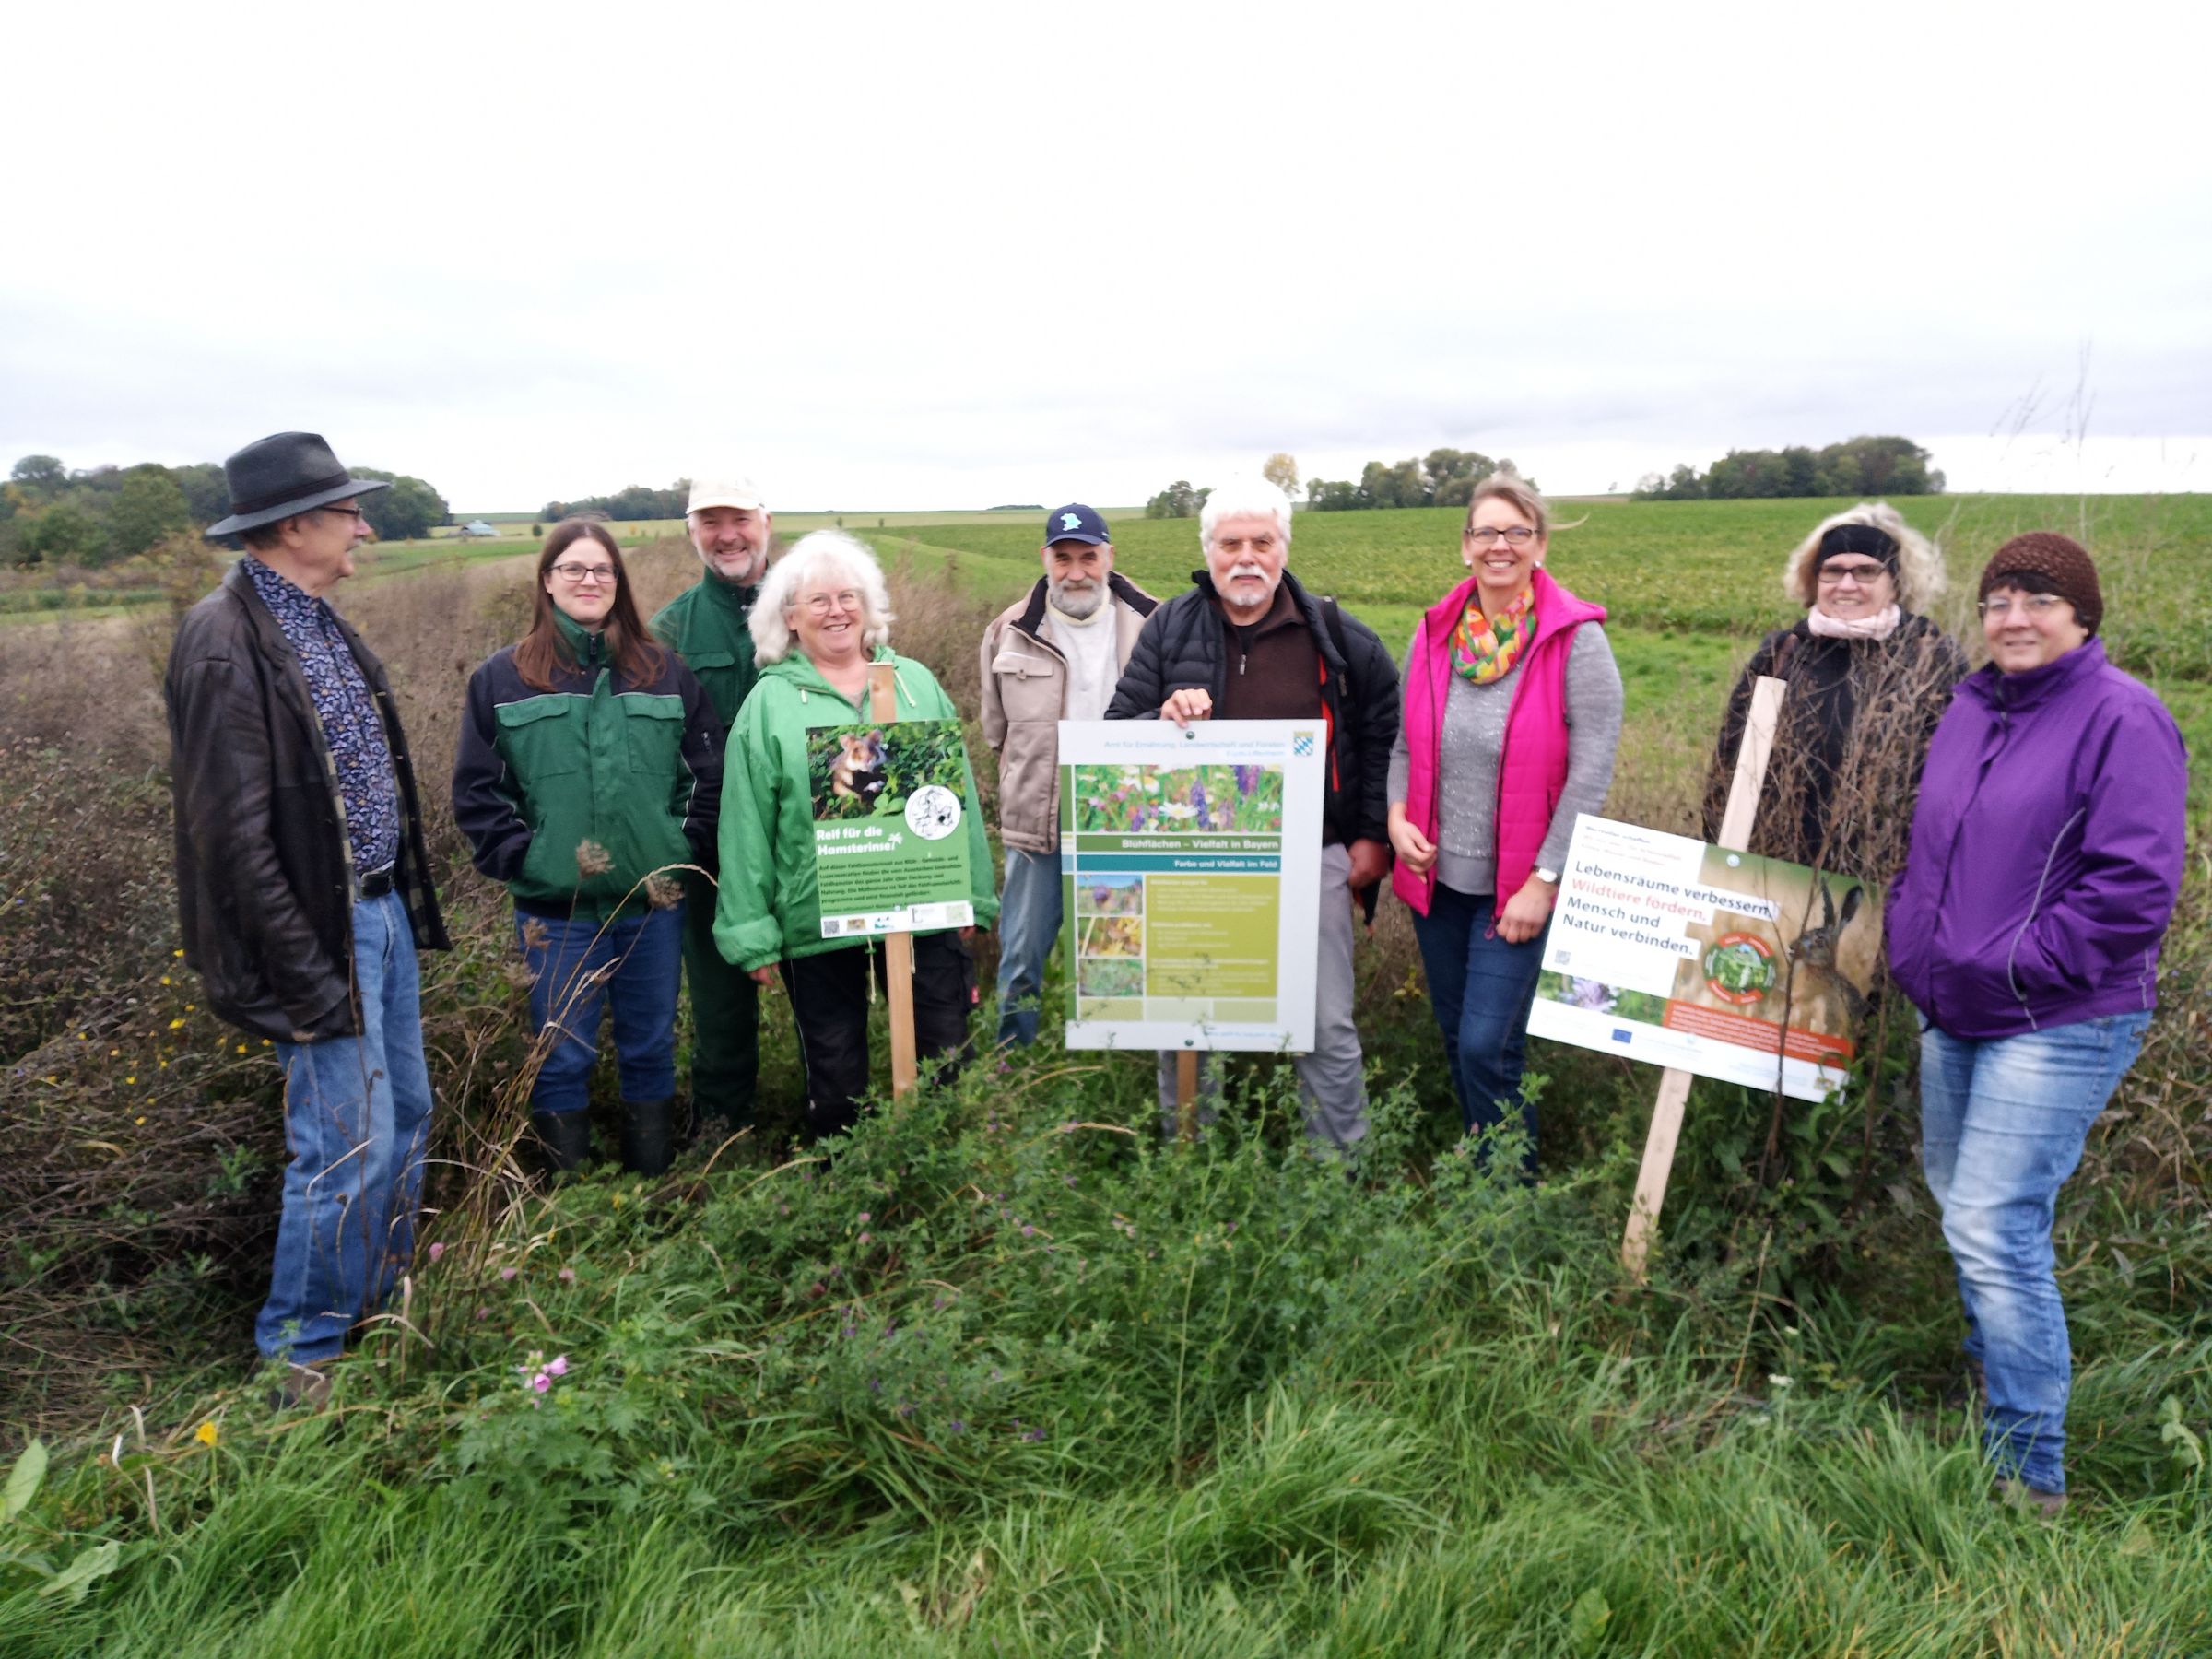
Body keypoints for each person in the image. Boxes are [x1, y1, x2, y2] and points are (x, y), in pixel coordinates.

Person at [1888, 532, 2186, 1514]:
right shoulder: (1971, 708)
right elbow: (1933, 850)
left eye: (2039, 600)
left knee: (1991, 1221)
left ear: (2082, 615)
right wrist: (1914, 941)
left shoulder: (2122, 717)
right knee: (1964, 1209)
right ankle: (1994, 1387)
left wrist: (2014, 964)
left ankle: (2027, 1473)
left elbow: (2133, 889)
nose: (2014, 618)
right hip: (1957, 1004)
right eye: (1999, 600)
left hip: (2057, 1013)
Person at [166, 431, 451, 1402]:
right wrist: (305, 974)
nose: (364, 528)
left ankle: (377, 1303)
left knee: (405, 1117)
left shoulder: (316, 620)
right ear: (295, 526)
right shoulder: (223, 638)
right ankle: (302, 1358)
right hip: (318, 942)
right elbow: (229, 839)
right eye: (347, 513)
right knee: (345, 1144)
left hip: (378, 919)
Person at [1105, 478, 1400, 1151]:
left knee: (1324, 1026)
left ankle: (1339, 1173)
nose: (1246, 557)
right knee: (1183, 1017)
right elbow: (1117, 729)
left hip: (1311, 856)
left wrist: (1370, 834)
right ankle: (1188, 1159)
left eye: (1261, 542)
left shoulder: (1336, 635)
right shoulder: (1170, 627)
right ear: (1208, 552)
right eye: (1230, 543)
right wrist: (1163, 716)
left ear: (1283, 548)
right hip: (1191, 861)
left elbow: (1385, 728)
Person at [453, 521, 723, 1176]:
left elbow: (706, 776)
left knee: (650, 1047)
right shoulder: (505, 678)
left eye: (602, 570)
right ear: (547, 581)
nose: (589, 581)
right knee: (561, 1053)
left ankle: (649, 1186)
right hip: (557, 915)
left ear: (619, 583)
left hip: (650, 909)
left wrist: (677, 851)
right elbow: (478, 791)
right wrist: (526, 861)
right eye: (573, 569)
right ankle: (568, 1201)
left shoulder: (663, 673)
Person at [715, 531, 998, 1136]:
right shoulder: (769, 705)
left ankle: (949, 1191)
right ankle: (852, 1199)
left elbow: (959, 798)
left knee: (945, 1056)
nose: (836, 611)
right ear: (788, 617)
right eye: (817, 601)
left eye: (848, 596)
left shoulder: (916, 684)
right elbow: (745, 825)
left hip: (922, 905)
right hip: (820, 921)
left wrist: (972, 890)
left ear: (869, 608)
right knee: (837, 1077)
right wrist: (750, 930)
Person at [1386, 475, 1622, 1172]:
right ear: (1465, 547)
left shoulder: (1576, 642)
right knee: (1461, 1034)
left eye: (1516, 532)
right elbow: (1404, 746)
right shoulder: (1433, 634)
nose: (1500, 545)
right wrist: (1398, 818)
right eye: (1486, 532)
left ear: (1539, 546)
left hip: (1519, 889)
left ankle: (1510, 1192)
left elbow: (1591, 773)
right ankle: (1483, 1166)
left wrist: (1545, 879)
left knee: (1488, 1044)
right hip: (1438, 883)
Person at [1704, 502, 1968, 877]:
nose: (1847, 585)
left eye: (1865, 572)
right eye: (1833, 572)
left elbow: (1959, 779)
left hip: (1886, 879)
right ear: (1814, 580)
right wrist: (1720, 859)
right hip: (1774, 871)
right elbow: (1730, 763)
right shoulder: (1784, 652)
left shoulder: (1931, 657)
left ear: (1894, 581)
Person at [980, 503, 1159, 1045]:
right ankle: (1011, 1067)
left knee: (1116, 955)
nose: (1075, 571)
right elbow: (995, 732)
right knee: (1021, 956)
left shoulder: (1155, 623)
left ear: (1109, 556)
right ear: (1045, 558)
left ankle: (1110, 1067)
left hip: (1124, 821)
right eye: (1063, 558)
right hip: (1039, 821)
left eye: (1088, 557)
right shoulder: (1010, 631)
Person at [649, 476, 776, 1138]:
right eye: (710, 522)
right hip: (711, 849)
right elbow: (652, 749)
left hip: (807, 841)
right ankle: (723, 1131)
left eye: (739, 519)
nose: (727, 535)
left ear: (766, 520)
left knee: (822, 981)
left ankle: (834, 1115)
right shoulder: (667, 631)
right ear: (691, 532)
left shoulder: (813, 604)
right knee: (720, 994)